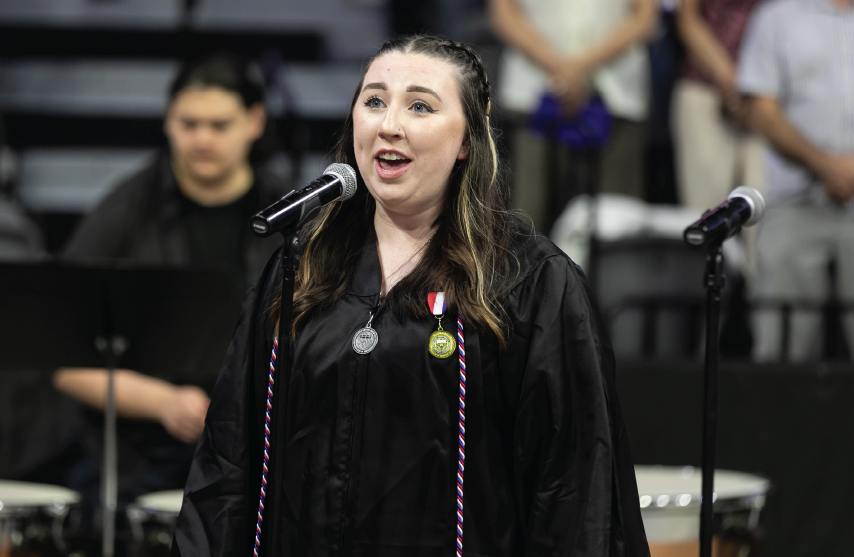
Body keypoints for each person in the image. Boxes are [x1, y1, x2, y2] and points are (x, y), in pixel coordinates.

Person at [173, 35, 649, 556]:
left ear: (468, 138)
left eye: (420, 106)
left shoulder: (528, 282)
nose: (388, 125)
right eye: (374, 101)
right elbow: (228, 465)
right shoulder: (302, 267)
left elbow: (574, 489)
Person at [54, 54, 292, 503]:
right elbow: (65, 360)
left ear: (255, 121)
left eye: (219, 125)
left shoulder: (289, 212)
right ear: (168, 121)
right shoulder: (127, 209)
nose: (201, 139)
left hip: (260, 448)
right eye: (188, 123)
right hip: (140, 458)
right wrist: (163, 402)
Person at [737, 0, 854, 361]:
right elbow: (761, 110)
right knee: (781, 355)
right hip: (794, 200)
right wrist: (825, 165)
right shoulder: (776, 17)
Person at [489, 0, 657, 233]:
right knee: (528, 217)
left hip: (617, 88)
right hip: (533, 88)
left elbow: (645, 15)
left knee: (617, 222)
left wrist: (579, 68)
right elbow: (503, 13)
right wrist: (560, 66)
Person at [673, 0, 765, 213]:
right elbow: (688, 19)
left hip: (770, 100)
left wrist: (756, 86)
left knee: (765, 219)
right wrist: (734, 81)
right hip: (705, 87)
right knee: (707, 213)